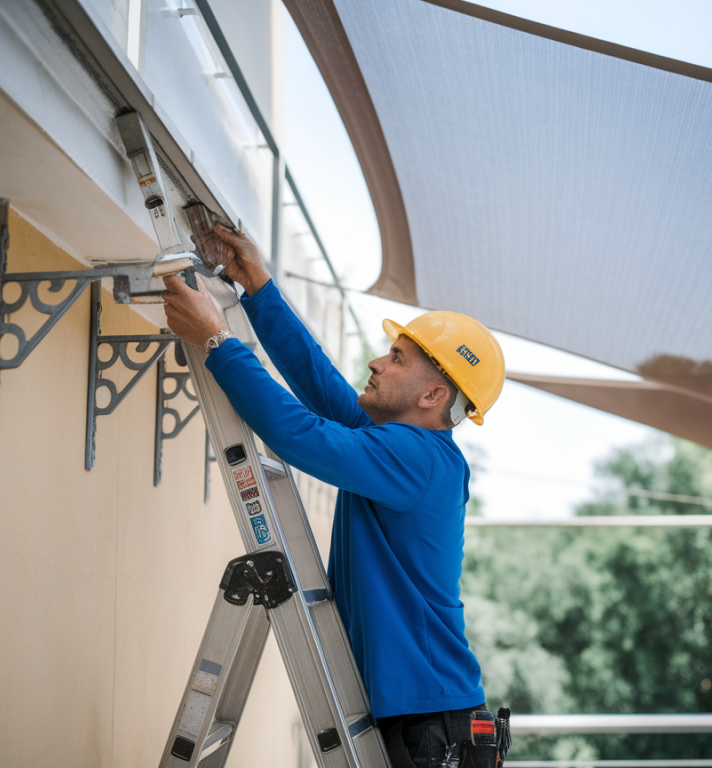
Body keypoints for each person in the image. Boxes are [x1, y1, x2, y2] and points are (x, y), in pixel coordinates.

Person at [162, 224, 505, 768]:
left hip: (431, 730)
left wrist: (216, 342)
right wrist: (256, 287)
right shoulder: (400, 447)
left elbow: (302, 435)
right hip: (422, 719)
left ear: (434, 394)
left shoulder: (419, 461)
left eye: (396, 358)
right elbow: (319, 386)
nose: (376, 362)